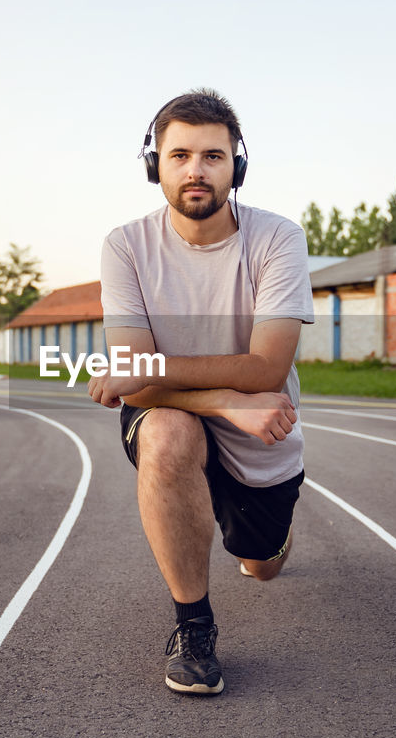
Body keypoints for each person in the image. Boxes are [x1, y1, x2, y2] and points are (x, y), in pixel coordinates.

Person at [88, 89, 314, 695]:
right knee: (165, 435)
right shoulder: (126, 245)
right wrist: (222, 399)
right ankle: (194, 629)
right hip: (185, 412)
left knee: (261, 565)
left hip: (262, 425)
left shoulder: (278, 240)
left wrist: (226, 390)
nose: (195, 169)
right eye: (179, 154)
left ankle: (263, 539)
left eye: (212, 155)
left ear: (237, 165)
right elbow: (135, 373)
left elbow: (266, 370)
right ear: (154, 165)